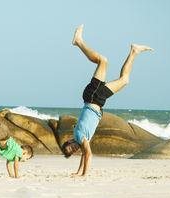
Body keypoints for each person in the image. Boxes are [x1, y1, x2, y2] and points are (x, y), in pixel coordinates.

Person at [61, 24, 153, 177]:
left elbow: (88, 155)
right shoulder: (81, 140)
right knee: (124, 80)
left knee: (103, 61)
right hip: (98, 100)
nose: (74, 150)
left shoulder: (79, 136)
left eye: (71, 148)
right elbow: (84, 155)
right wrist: (77, 172)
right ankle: (134, 51)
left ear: (70, 141)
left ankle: (78, 42)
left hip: (92, 97)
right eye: (72, 152)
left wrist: (83, 175)